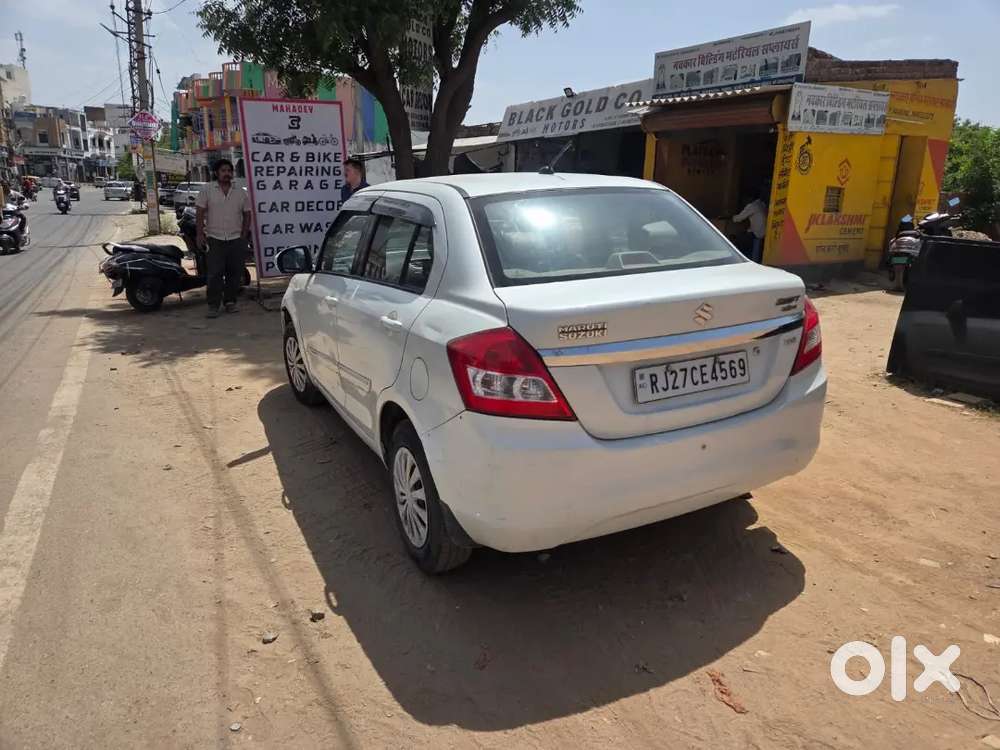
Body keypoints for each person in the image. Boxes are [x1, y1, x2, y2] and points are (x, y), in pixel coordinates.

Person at [196, 158, 251, 318]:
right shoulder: (207, 190)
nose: (227, 174)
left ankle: (230, 302)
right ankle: (213, 305)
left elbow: (247, 214)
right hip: (214, 238)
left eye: (229, 171)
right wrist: (200, 234)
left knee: (235, 272)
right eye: (223, 171)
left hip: (236, 239)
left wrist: (244, 235)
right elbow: (199, 212)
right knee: (215, 274)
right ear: (216, 173)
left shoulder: (240, 191)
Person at [733, 192, 767, 263]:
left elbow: (738, 219)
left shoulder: (752, 206)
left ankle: (742, 260)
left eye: (745, 198)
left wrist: (732, 217)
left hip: (756, 233)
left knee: (735, 242)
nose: (744, 200)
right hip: (763, 233)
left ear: (750, 198)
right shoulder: (762, 204)